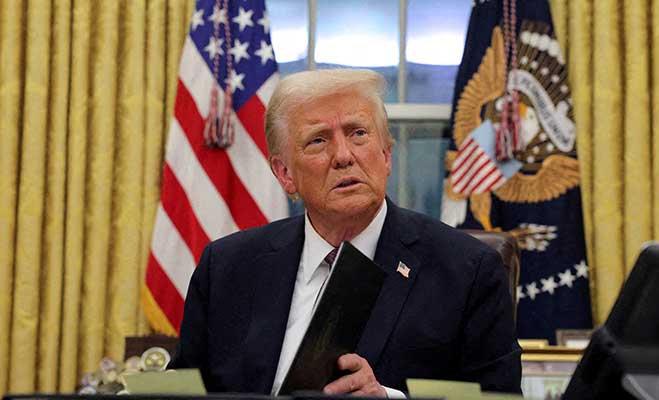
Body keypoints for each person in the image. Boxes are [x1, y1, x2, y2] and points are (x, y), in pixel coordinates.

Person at [170, 69, 522, 396]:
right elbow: (183, 387)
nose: (343, 155)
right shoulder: (228, 268)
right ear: (284, 173)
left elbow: (497, 397)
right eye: (318, 141)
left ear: (386, 155)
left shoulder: (467, 271)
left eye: (358, 133)